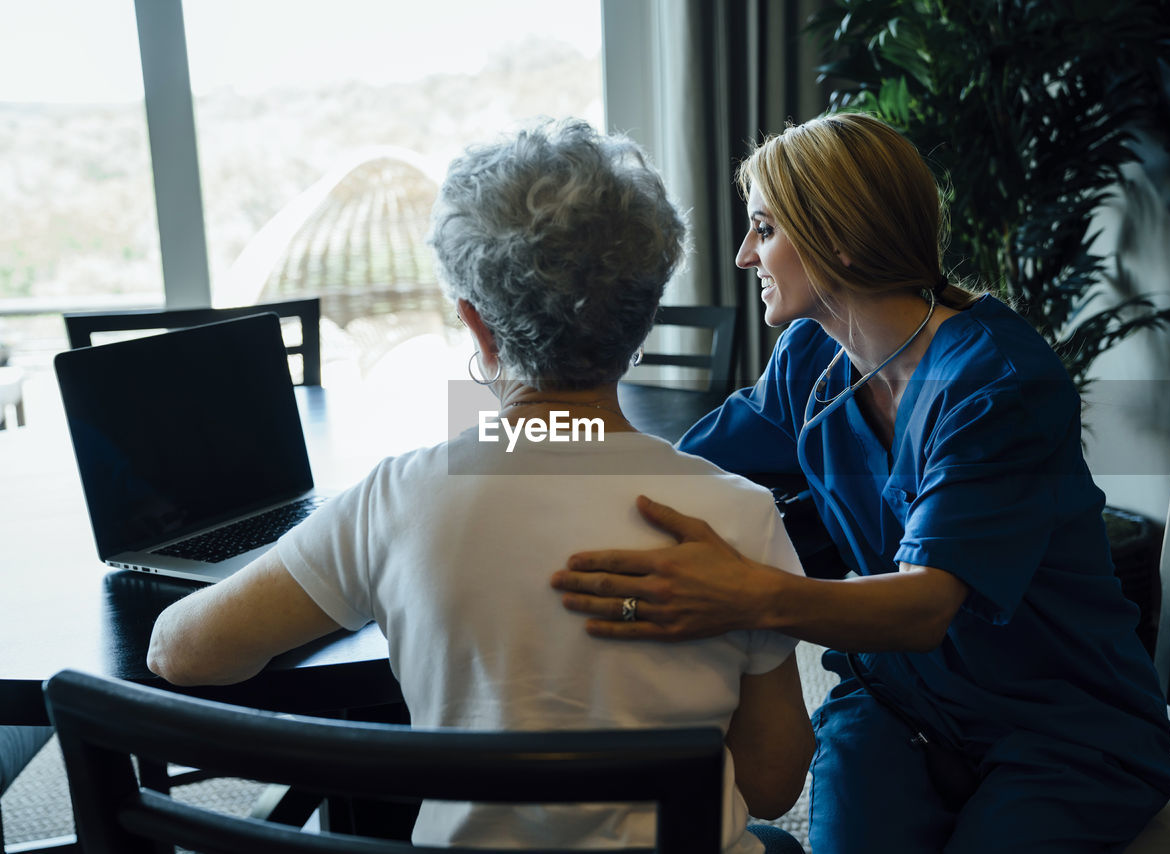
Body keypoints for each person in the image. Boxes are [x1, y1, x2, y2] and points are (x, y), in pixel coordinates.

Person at [550, 112, 1170, 853]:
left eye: (765, 229)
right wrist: (532, 441)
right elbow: (683, 468)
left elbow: (925, 606)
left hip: (1059, 722)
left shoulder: (997, 383)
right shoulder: (812, 354)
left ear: (841, 237)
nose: (746, 256)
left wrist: (743, 594)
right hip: (898, 704)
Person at [147, 119, 813, 853]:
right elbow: (775, 782)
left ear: (477, 326)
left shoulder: (397, 499)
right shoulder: (739, 515)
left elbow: (183, 654)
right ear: (645, 316)